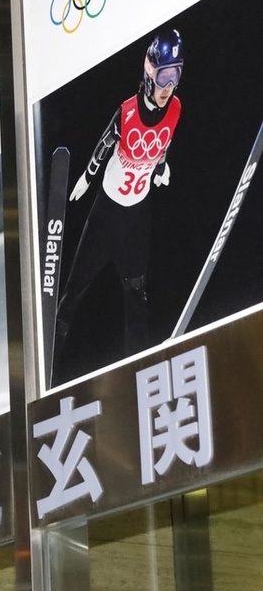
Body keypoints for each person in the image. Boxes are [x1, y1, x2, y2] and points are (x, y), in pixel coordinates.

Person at [54, 29, 184, 367]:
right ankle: (49, 361)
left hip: (137, 216)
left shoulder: (175, 109)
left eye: (176, 76)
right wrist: (86, 177)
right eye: (165, 76)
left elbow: (164, 142)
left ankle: (138, 365)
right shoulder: (127, 112)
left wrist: (161, 169)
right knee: (73, 292)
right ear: (149, 74)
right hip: (106, 213)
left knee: (136, 293)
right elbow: (103, 144)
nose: (169, 87)